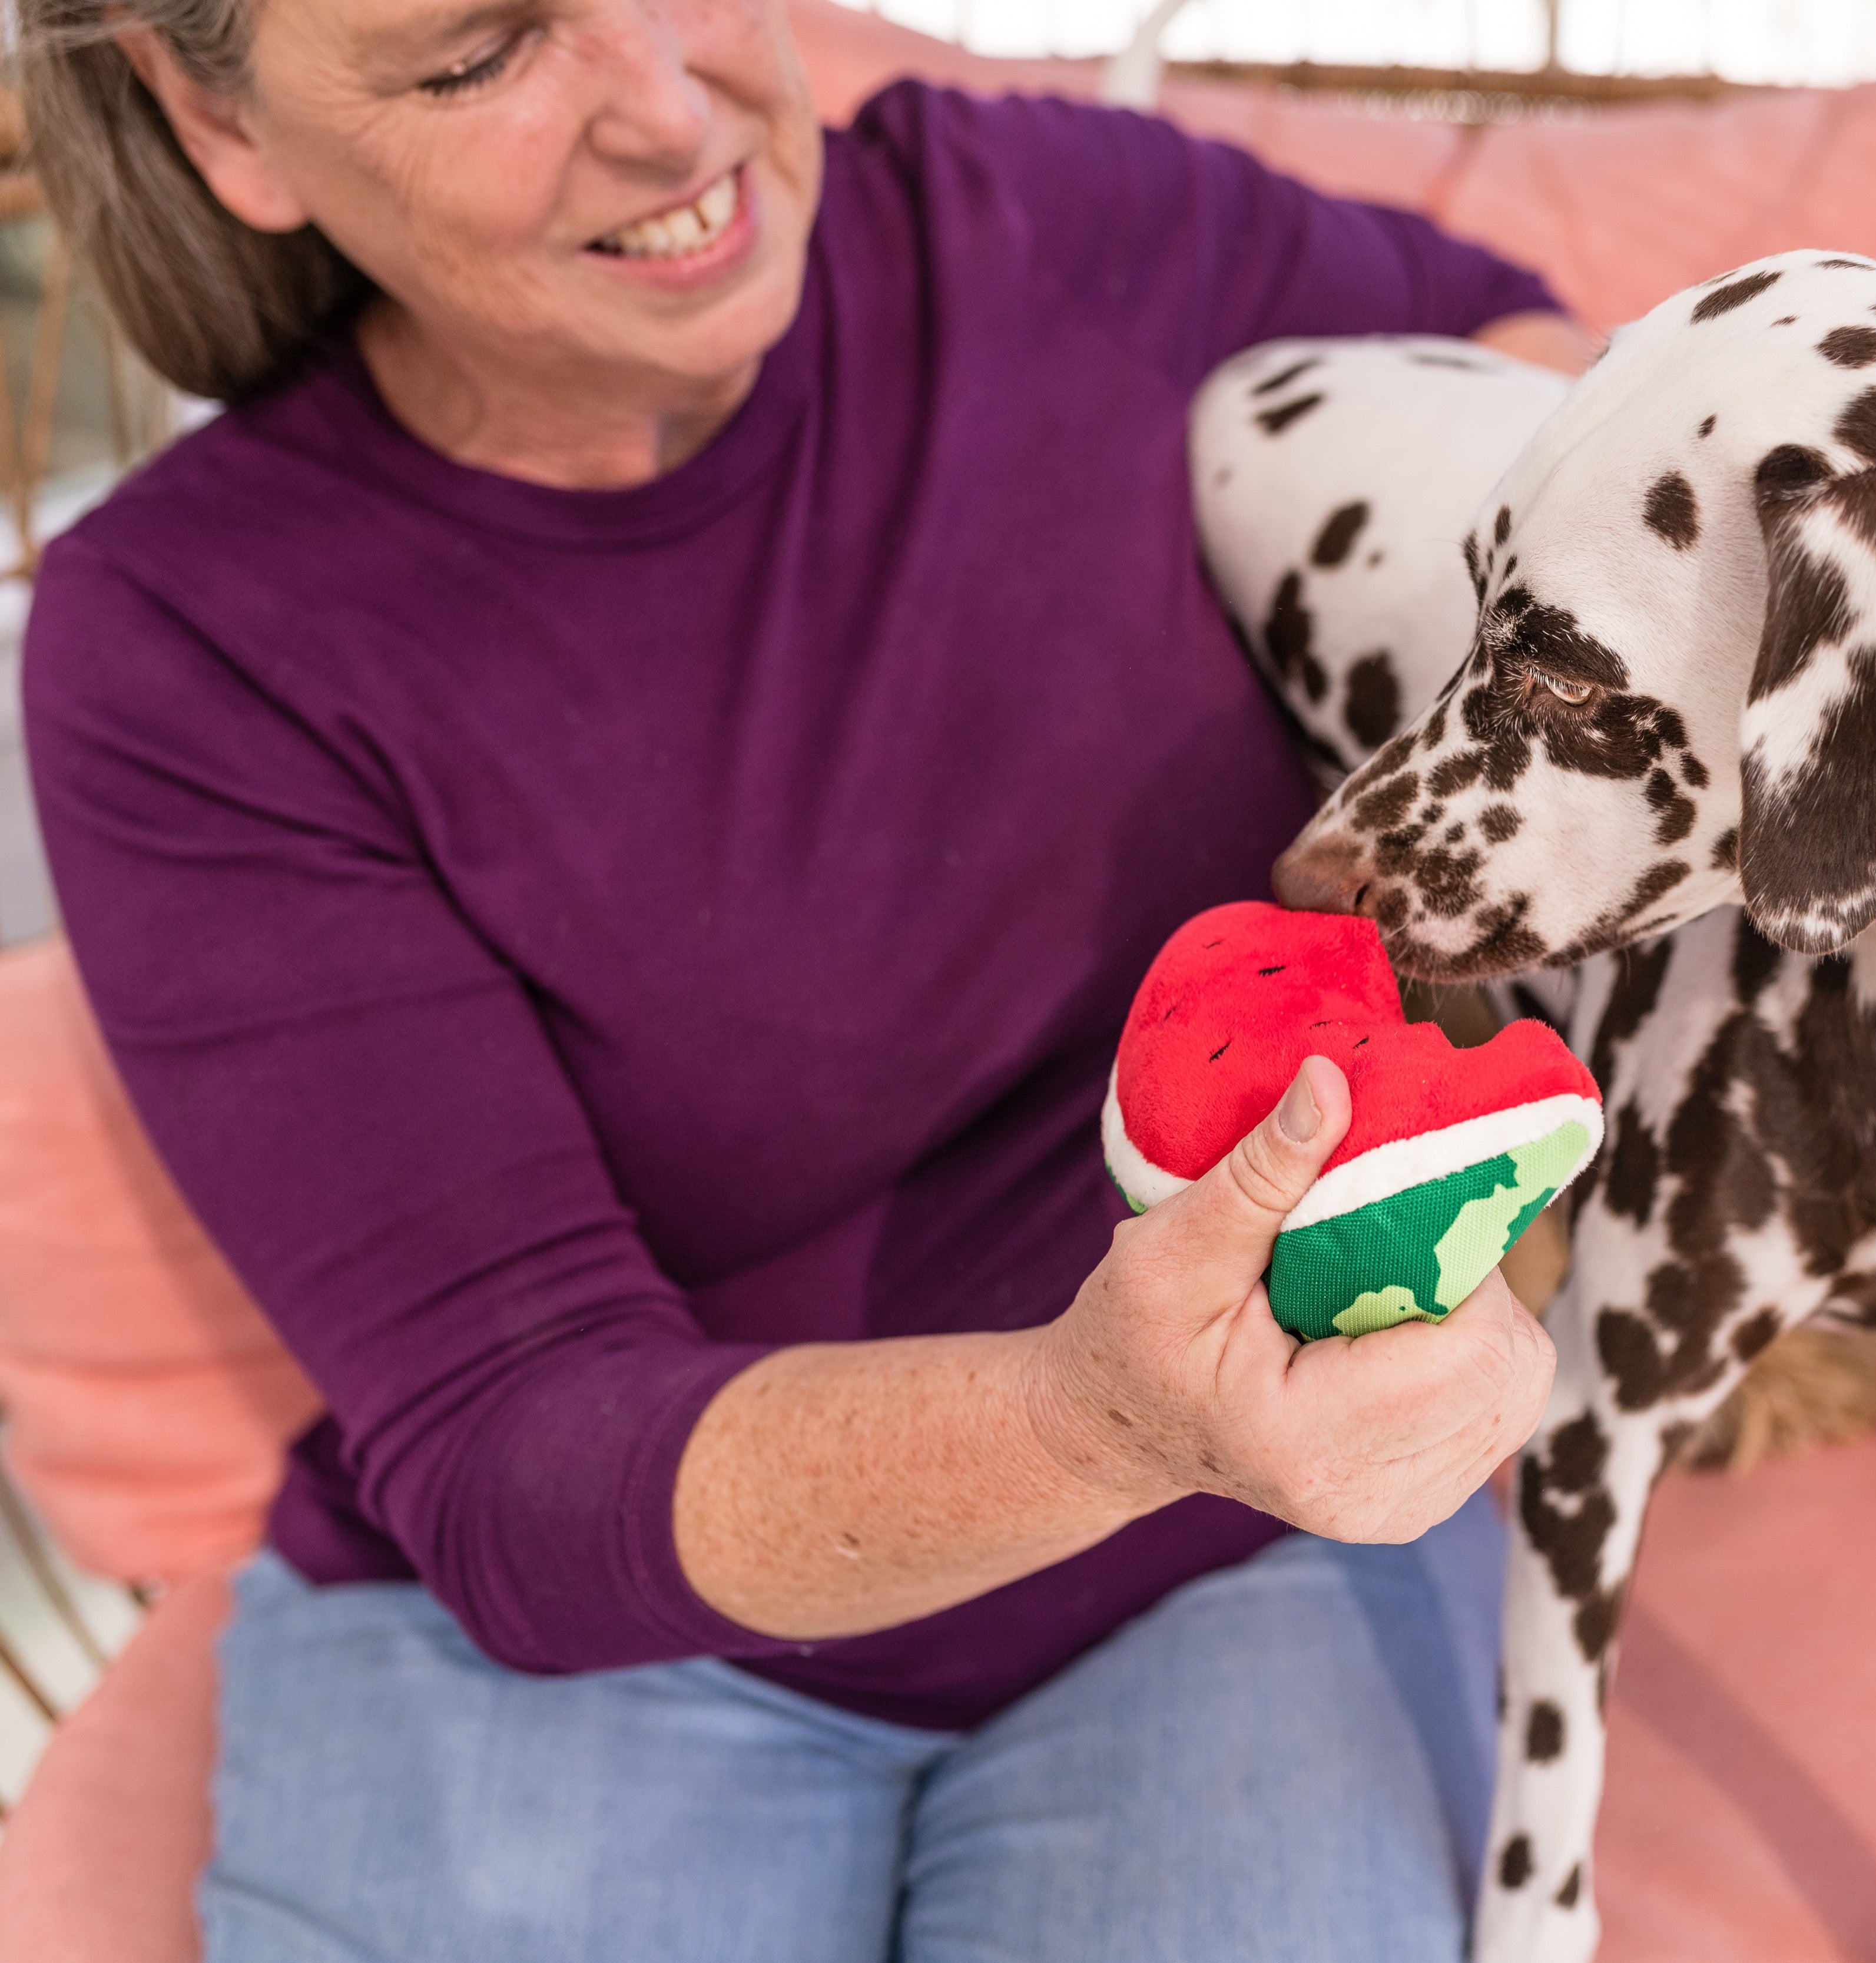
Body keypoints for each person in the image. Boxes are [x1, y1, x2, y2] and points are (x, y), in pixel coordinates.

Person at [16, 0, 1588, 1952]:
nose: (672, 112)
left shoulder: (1060, 229)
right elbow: (515, 1444)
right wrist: (1099, 1424)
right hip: (601, 1638)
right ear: (210, 114)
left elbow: (1544, 403)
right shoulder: (193, 640)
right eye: (474, 56)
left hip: (1218, 1563)